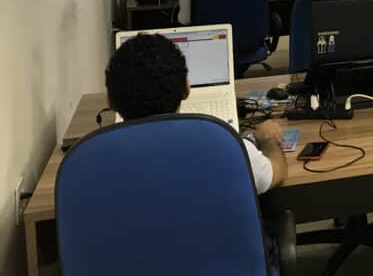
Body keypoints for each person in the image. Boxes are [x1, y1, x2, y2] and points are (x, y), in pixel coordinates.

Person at [105, 33, 285, 195]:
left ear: (110, 101)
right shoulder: (226, 146)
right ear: (187, 88)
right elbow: (276, 173)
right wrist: (268, 141)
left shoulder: (97, 161)